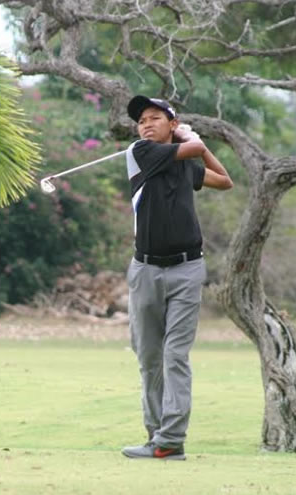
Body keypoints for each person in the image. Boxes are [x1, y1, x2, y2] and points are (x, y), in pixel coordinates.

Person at [120, 95, 233, 461]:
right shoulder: (140, 153)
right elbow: (194, 146)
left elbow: (224, 180)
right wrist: (190, 138)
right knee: (148, 356)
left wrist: (195, 144)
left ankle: (170, 441)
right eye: (141, 121)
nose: (146, 125)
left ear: (172, 123)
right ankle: (156, 436)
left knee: (175, 355)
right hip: (145, 270)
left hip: (186, 269)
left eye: (155, 118)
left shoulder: (184, 161)